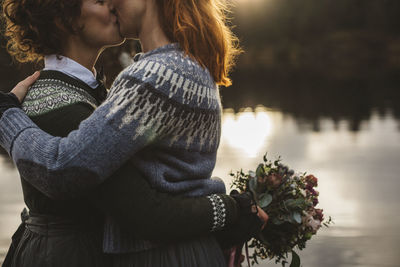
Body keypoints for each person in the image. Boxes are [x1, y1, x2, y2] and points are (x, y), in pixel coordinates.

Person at [0, 0, 268, 266]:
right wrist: (231, 211)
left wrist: (229, 211)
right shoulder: (60, 98)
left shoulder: (155, 75)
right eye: (99, 0)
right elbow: (142, 208)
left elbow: (150, 201)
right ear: (64, 20)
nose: (112, 4)